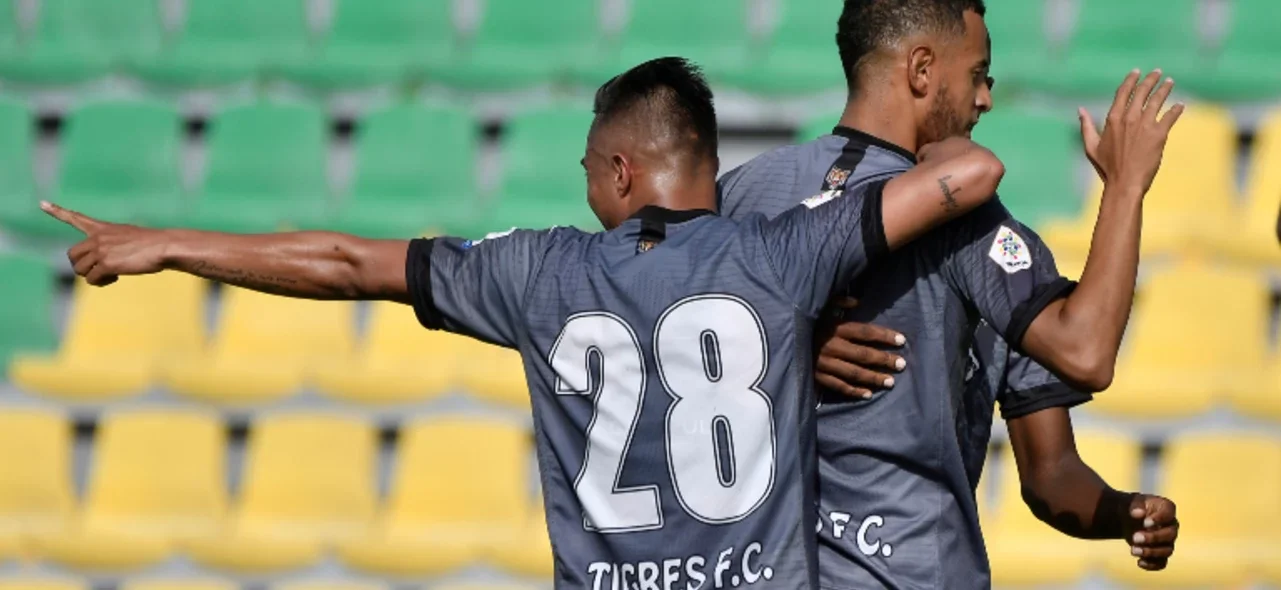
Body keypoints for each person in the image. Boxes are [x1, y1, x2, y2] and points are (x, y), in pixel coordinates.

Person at [43, 58, 1007, 590]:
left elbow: (346, 264)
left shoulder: (540, 270)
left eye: (590, 166)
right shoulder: (780, 255)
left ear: (622, 172)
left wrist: (168, 242)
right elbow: (969, 175)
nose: (584, 183)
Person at [716, 1, 1182, 588]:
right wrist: (1125, 187)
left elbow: (1051, 471)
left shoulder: (736, 196)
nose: (985, 98)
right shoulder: (971, 223)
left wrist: (1123, 512)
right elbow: (1086, 352)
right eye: (978, 74)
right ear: (920, 70)